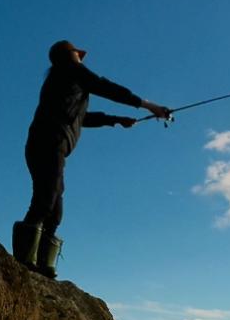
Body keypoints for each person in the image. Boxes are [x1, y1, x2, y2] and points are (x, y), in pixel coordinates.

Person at [12, 40, 171, 279]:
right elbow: (105, 87)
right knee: (46, 199)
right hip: (48, 143)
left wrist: (116, 119)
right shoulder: (71, 70)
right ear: (70, 55)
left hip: (49, 146)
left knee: (54, 209)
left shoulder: (65, 81)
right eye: (78, 54)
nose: (82, 58)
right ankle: (24, 263)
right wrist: (148, 105)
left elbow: (81, 117)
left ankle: (42, 266)